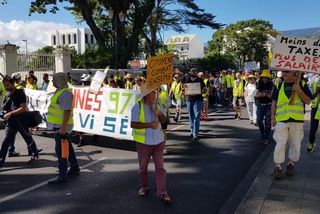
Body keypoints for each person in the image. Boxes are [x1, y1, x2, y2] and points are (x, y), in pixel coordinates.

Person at [131, 83, 172, 204]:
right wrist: (149, 125)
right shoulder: (137, 106)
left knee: (160, 168)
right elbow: (133, 124)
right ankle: (144, 186)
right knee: (143, 168)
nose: (155, 93)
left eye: (155, 92)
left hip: (159, 141)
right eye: (153, 92)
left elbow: (165, 120)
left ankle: (162, 193)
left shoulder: (158, 104)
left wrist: (158, 113)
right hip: (144, 143)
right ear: (146, 94)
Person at [271, 70, 312, 178]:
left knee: (295, 143)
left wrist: (299, 91)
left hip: (296, 120)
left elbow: (308, 101)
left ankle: (291, 164)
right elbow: (274, 102)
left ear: (294, 72)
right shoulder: (278, 85)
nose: (284, 74)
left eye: (287, 71)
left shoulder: (302, 84)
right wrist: (272, 117)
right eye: (283, 71)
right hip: (281, 119)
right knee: (280, 142)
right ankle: (278, 167)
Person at [0, 76, 40, 168]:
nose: (6, 87)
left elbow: (23, 108)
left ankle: (35, 154)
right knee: (6, 140)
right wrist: (4, 114)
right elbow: (6, 107)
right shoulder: (7, 94)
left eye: (8, 85)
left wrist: (10, 113)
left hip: (21, 120)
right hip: (11, 121)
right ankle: (1, 161)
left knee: (27, 138)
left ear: (13, 83)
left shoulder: (19, 93)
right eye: (4, 85)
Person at [47, 73, 80, 184]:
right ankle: (74, 167)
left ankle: (62, 176)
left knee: (60, 151)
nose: (52, 82)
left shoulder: (65, 93)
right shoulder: (61, 91)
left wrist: (63, 128)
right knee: (67, 148)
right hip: (60, 126)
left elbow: (67, 111)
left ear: (60, 80)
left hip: (62, 127)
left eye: (54, 79)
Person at [184, 68, 206, 141]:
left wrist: (201, 91)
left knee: (196, 116)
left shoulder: (200, 80)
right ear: (190, 72)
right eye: (192, 71)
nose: (193, 73)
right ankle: (192, 129)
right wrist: (184, 89)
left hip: (198, 100)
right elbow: (184, 88)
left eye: (195, 71)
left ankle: (195, 133)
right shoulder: (187, 79)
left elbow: (205, 89)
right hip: (189, 100)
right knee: (191, 115)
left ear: (196, 72)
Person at [255, 70, 274, 144]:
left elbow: (274, 97)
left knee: (267, 122)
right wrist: (259, 95)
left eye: (266, 78)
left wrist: (266, 95)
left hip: (269, 105)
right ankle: (263, 133)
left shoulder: (272, 85)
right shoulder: (259, 84)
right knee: (259, 121)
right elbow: (255, 94)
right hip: (260, 105)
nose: (265, 79)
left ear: (269, 78)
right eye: (263, 77)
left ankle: (266, 136)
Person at [307, 77, 320, 153]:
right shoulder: (314, 80)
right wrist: (316, 92)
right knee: (313, 128)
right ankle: (311, 144)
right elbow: (310, 94)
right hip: (315, 107)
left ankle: (311, 144)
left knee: (313, 128)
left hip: (315, 107)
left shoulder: (314, 79)